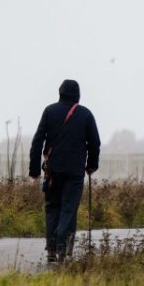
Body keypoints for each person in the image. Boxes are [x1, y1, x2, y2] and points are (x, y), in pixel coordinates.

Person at [29, 79, 100, 262]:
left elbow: (37, 141)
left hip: (53, 171)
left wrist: (34, 169)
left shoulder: (49, 111)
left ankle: (52, 249)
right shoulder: (86, 115)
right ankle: (63, 247)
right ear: (78, 95)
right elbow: (94, 143)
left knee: (52, 208)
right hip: (75, 172)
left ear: (60, 93)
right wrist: (92, 165)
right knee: (69, 208)